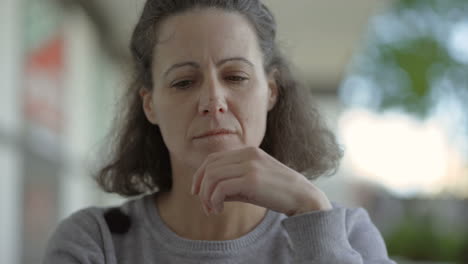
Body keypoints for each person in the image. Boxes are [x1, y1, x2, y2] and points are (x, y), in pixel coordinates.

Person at [43, 0, 396, 263]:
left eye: (236, 77)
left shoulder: (345, 234)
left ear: (271, 92)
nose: (213, 100)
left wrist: (313, 216)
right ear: (149, 104)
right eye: (183, 82)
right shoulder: (95, 243)